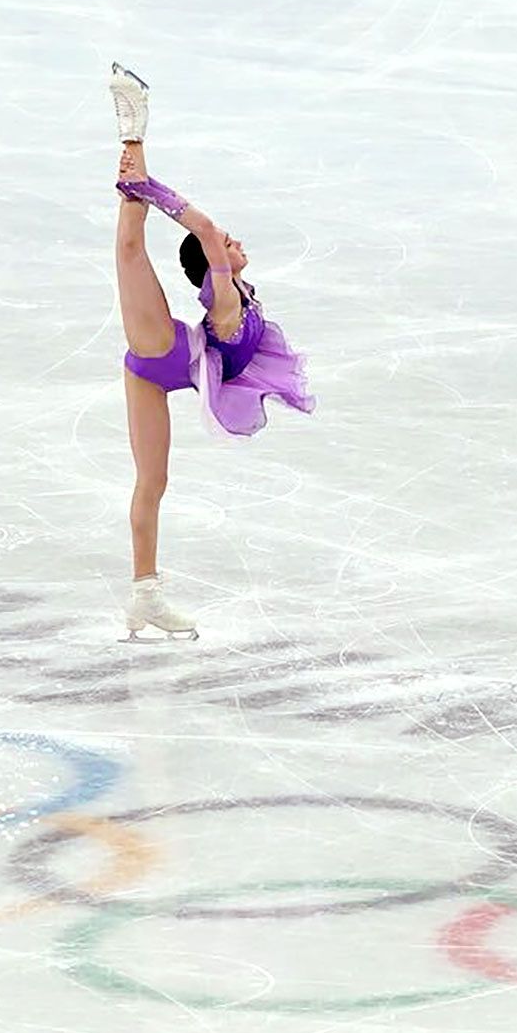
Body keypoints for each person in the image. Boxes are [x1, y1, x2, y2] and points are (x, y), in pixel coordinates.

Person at [105, 63, 315, 641]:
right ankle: (133, 125)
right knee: (128, 246)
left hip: (154, 376)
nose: (234, 241)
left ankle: (145, 596)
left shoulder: (239, 296)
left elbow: (208, 232)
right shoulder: (222, 297)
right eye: (228, 245)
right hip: (160, 350)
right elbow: (203, 226)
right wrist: (146, 190)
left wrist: (146, 191)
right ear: (214, 265)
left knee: (154, 483)